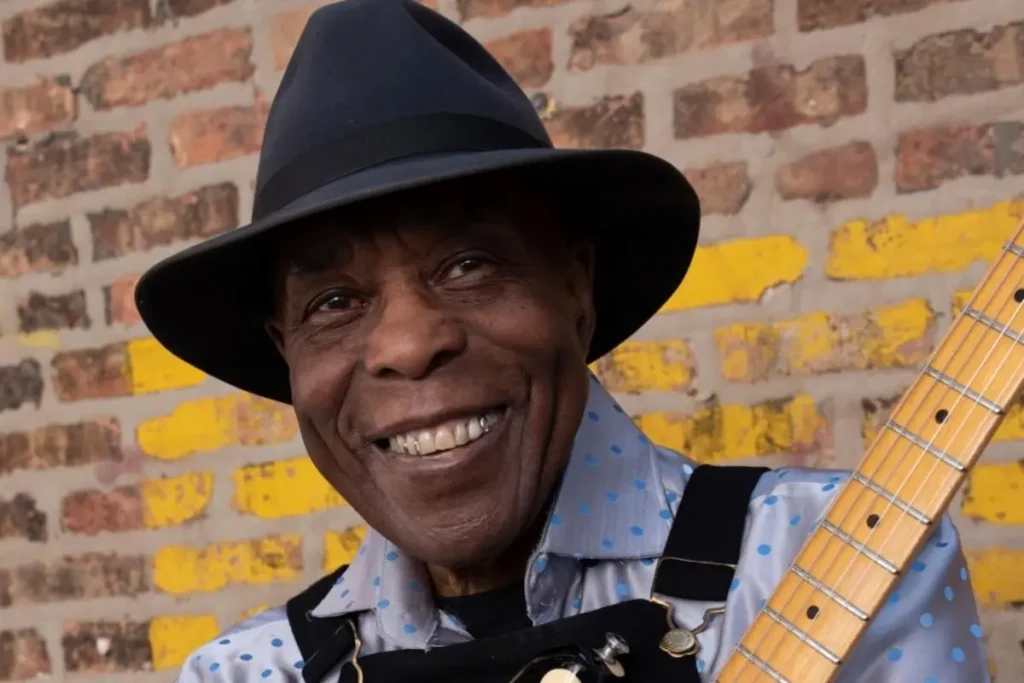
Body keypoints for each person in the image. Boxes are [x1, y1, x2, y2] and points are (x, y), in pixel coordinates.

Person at [136, 1, 989, 681]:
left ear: (576, 287)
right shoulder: (252, 672)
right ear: (287, 351)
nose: (406, 342)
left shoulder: (839, 556)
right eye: (333, 301)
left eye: (468, 264)